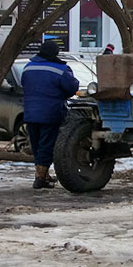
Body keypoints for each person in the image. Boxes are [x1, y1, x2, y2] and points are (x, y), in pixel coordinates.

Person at [21, 39, 79, 189]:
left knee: (36, 144)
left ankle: (43, 174)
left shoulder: (28, 67)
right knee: (47, 145)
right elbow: (71, 88)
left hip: (30, 112)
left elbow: (24, 85)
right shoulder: (60, 69)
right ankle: (40, 178)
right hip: (50, 113)